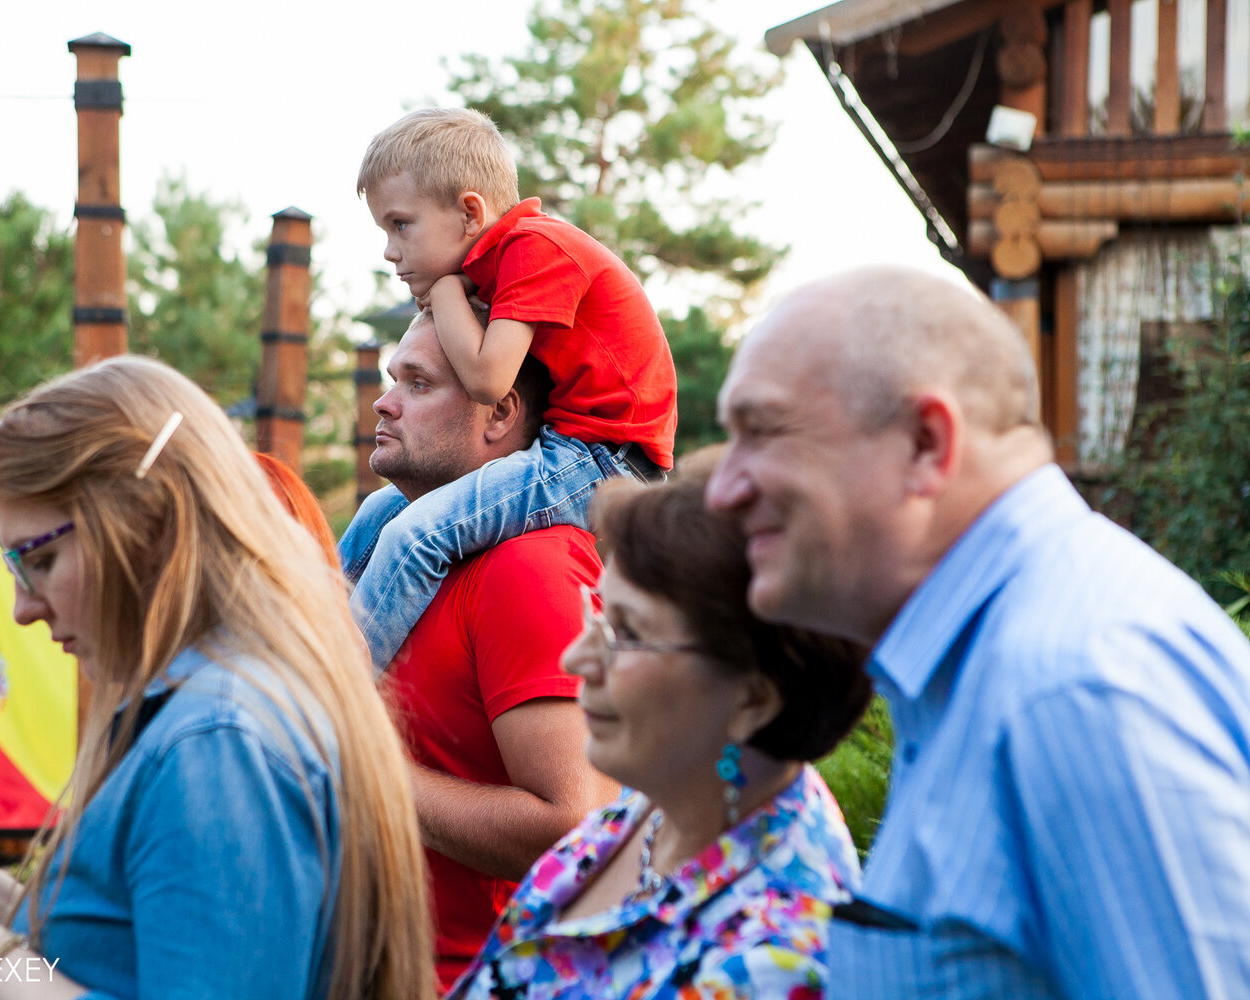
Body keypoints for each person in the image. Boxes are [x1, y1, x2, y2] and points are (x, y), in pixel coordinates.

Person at [0, 356, 432, 1000]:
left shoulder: (216, 738)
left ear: (149, 523)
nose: (23, 608)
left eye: (40, 560)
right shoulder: (219, 708)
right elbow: (141, 957)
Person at [705, 265, 1250, 999]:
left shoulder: (1070, 693)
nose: (722, 490)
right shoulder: (996, 667)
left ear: (926, 443)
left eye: (762, 432)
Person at [449, 450, 870, 1000]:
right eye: (597, 613)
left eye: (626, 633)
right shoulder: (653, 808)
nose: (576, 658)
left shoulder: (772, 959)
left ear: (753, 699)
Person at [343, 106, 678, 670]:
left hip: (610, 460)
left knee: (415, 536)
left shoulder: (534, 249)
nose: (390, 250)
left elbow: (487, 381)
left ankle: (336, 695)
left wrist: (444, 288)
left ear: (470, 213)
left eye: (400, 225)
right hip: (574, 445)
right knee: (381, 511)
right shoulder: (501, 263)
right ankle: (301, 640)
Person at [370, 306, 619, 988]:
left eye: (418, 383)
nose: (384, 403)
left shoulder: (526, 567)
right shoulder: (408, 564)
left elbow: (579, 828)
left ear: (500, 413)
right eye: (392, 379)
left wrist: (358, 762)